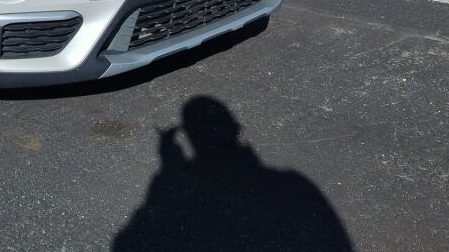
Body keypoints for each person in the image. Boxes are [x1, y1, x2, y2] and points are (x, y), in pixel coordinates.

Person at [114, 96, 354, 252]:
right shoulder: (295, 184)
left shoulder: (171, 186)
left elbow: (130, 237)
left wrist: (168, 157)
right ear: (236, 129)